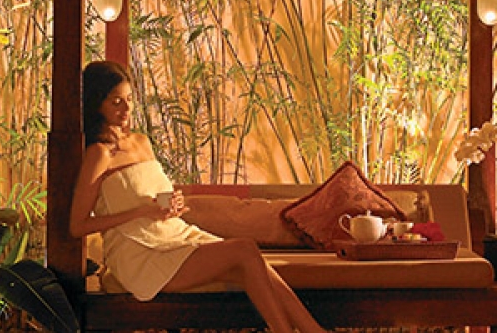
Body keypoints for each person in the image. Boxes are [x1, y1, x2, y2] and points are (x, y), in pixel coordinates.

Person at [70, 61, 328, 333]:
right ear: (97, 104)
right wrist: (140, 213)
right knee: (245, 250)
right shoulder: (99, 154)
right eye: (116, 102)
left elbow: (157, 192)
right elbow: (78, 226)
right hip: (138, 254)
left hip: (173, 235)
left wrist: (175, 203)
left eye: (130, 100)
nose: (126, 109)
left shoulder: (141, 142)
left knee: (252, 265)